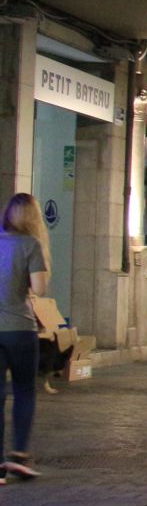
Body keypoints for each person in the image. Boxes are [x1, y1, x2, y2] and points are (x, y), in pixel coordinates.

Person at [0, 194, 49, 482]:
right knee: (23, 390)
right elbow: (39, 289)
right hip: (19, 328)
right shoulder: (31, 244)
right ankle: (18, 453)